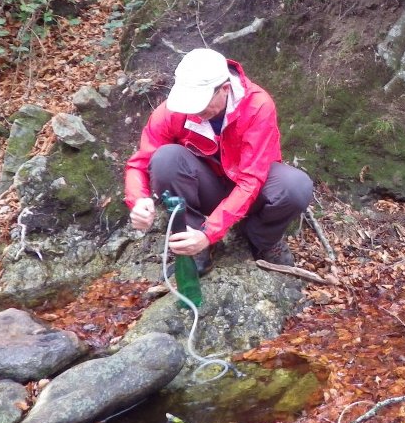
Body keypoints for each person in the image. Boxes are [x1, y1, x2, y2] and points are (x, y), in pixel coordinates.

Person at [124, 47, 312, 271]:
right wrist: (138, 200)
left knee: (296, 187)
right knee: (165, 158)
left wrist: (209, 232)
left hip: (252, 190)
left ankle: (260, 239)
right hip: (207, 187)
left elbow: (251, 180)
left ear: (224, 88)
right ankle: (190, 241)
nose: (194, 111)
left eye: (200, 103)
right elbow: (141, 163)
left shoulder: (257, 106)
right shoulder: (173, 110)